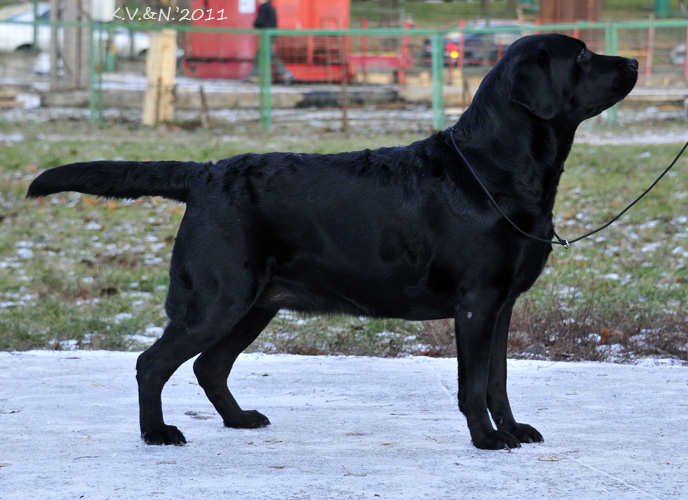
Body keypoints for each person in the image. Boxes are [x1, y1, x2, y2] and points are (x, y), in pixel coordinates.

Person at [245, 0, 294, 85]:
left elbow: (260, 21)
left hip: (266, 36)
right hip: (271, 35)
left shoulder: (264, 7)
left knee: (266, 55)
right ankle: (253, 76)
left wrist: (255, 26)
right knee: (265, 55)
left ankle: (286, 74)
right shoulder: (271, 7)